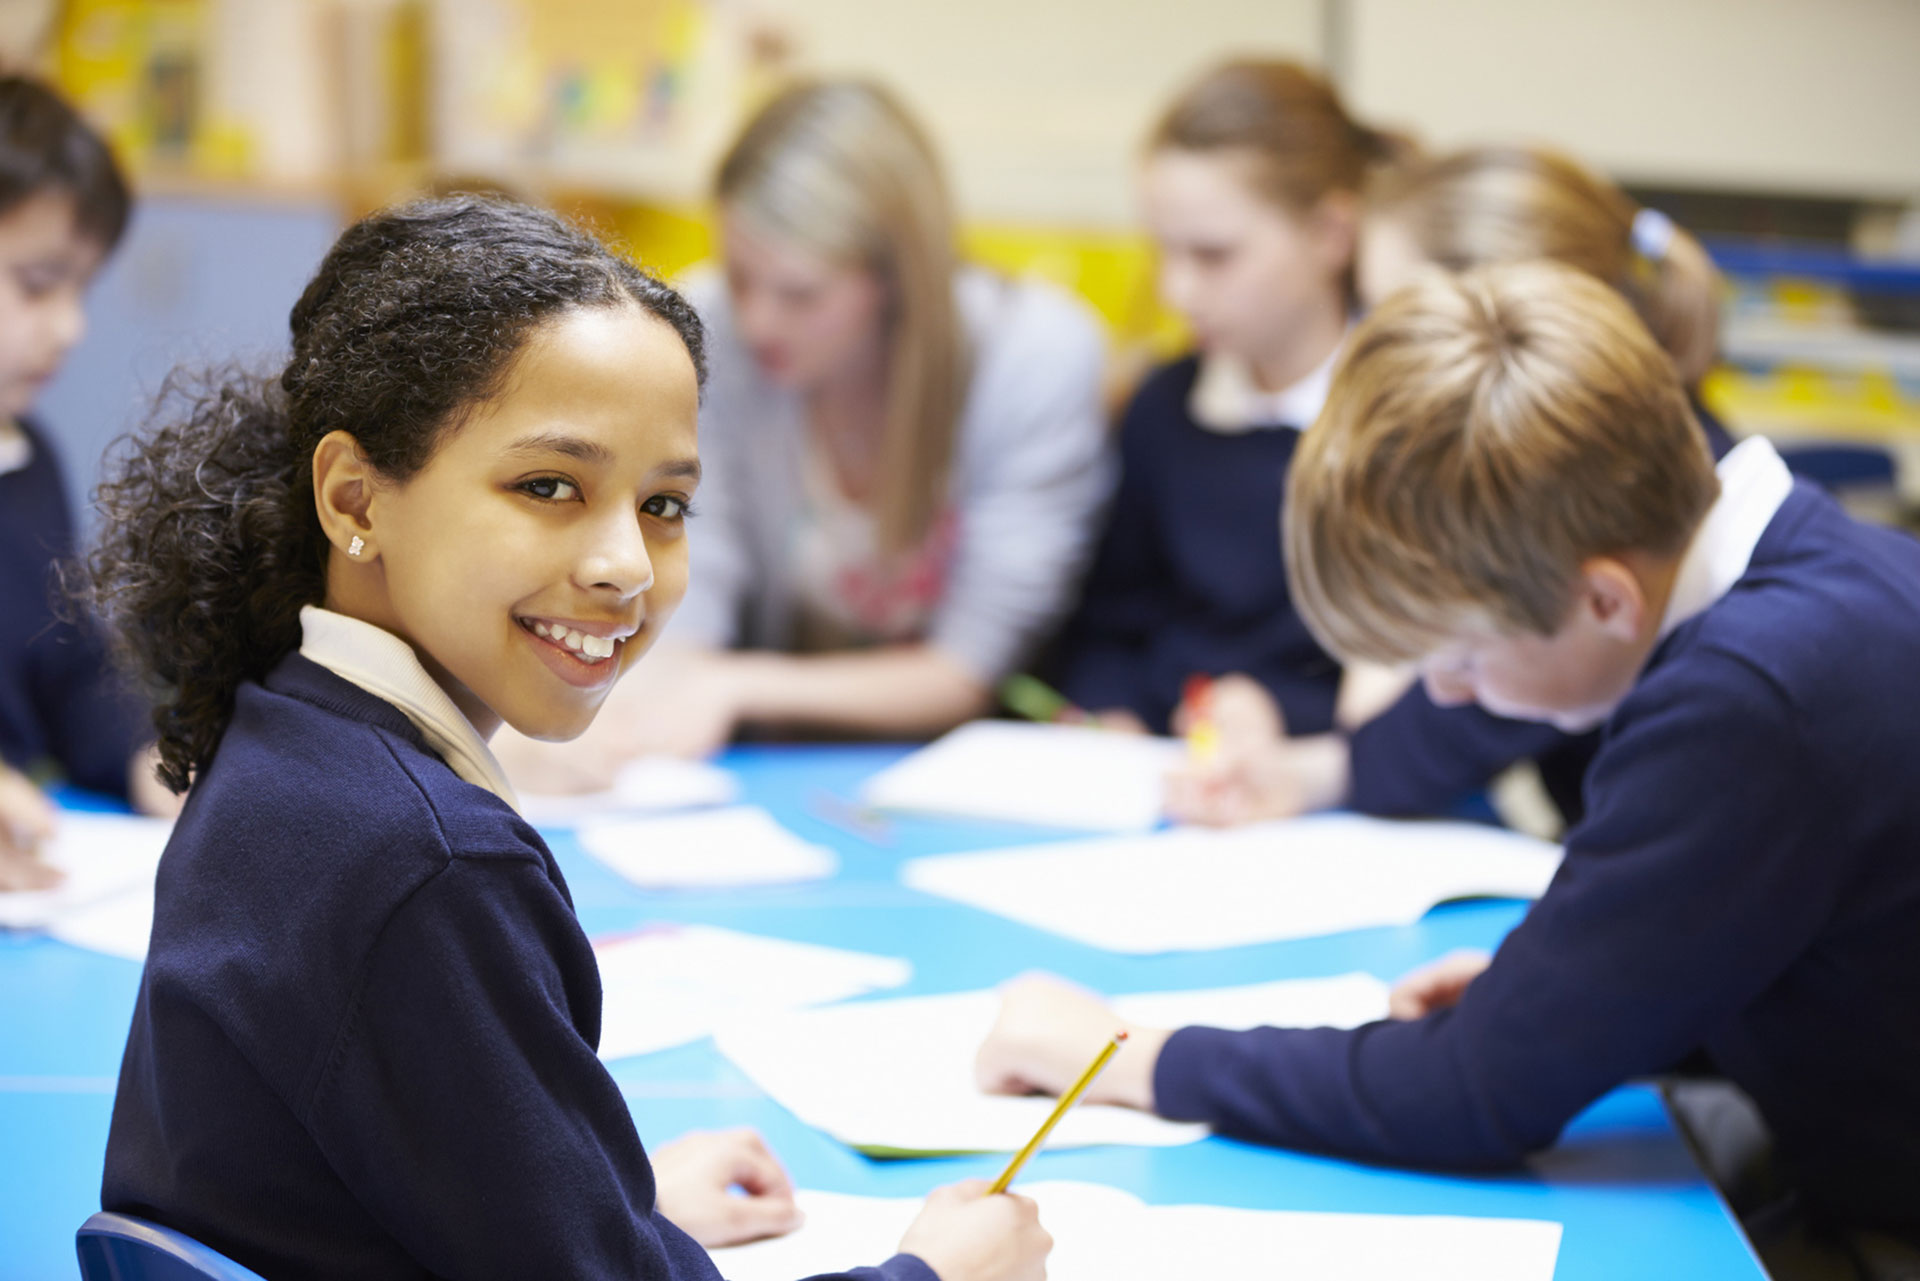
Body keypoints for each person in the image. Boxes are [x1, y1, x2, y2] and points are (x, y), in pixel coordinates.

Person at [91, 196, 1049, 1281]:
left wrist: (607, 1209)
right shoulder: (431, 862)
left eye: (664, 505)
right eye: (549, 487)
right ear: (356, 498)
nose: (626, 566)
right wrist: (931, 1275)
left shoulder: (286, 736)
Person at [977, 262, 1920, 1280]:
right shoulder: (1817, 562)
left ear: (1605, 599)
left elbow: (1474, 1098)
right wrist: (1604, 993)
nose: (1454, 698)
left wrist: (1130, 1057)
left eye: (1462, 660)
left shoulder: (1746, 696)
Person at [504, 79, 1109, 786]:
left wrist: (736, 685)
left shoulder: (1033, 355)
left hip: (978, 770)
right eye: (742, 278)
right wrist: (606, 718)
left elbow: (969, 668)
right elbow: (688, 595)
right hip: (766, 761)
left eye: (799, 293)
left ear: (894, 281)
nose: (759, 320)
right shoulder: (707, 326)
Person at [1168, 143, 1739, 829]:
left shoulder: (1612, 490)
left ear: (1501, 329)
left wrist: (1313, 767)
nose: (1364, 349)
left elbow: (1448, 726)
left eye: (1389, 316)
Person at [1045, 59, 1395, 746]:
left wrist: (1282, 721)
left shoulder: (1403, 421)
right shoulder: (1164, 407)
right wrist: (1111, 713)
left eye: (1213, 255)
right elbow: (1107, 628)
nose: (1178, 291)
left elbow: (1433, 681)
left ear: (1331, 233)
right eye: (1163, 252)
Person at [0, 74, 170, 891]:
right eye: (36, 285)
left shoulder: (28, 457)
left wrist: (151, 759)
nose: (71, 326)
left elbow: (69, 664)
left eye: (81, 288)